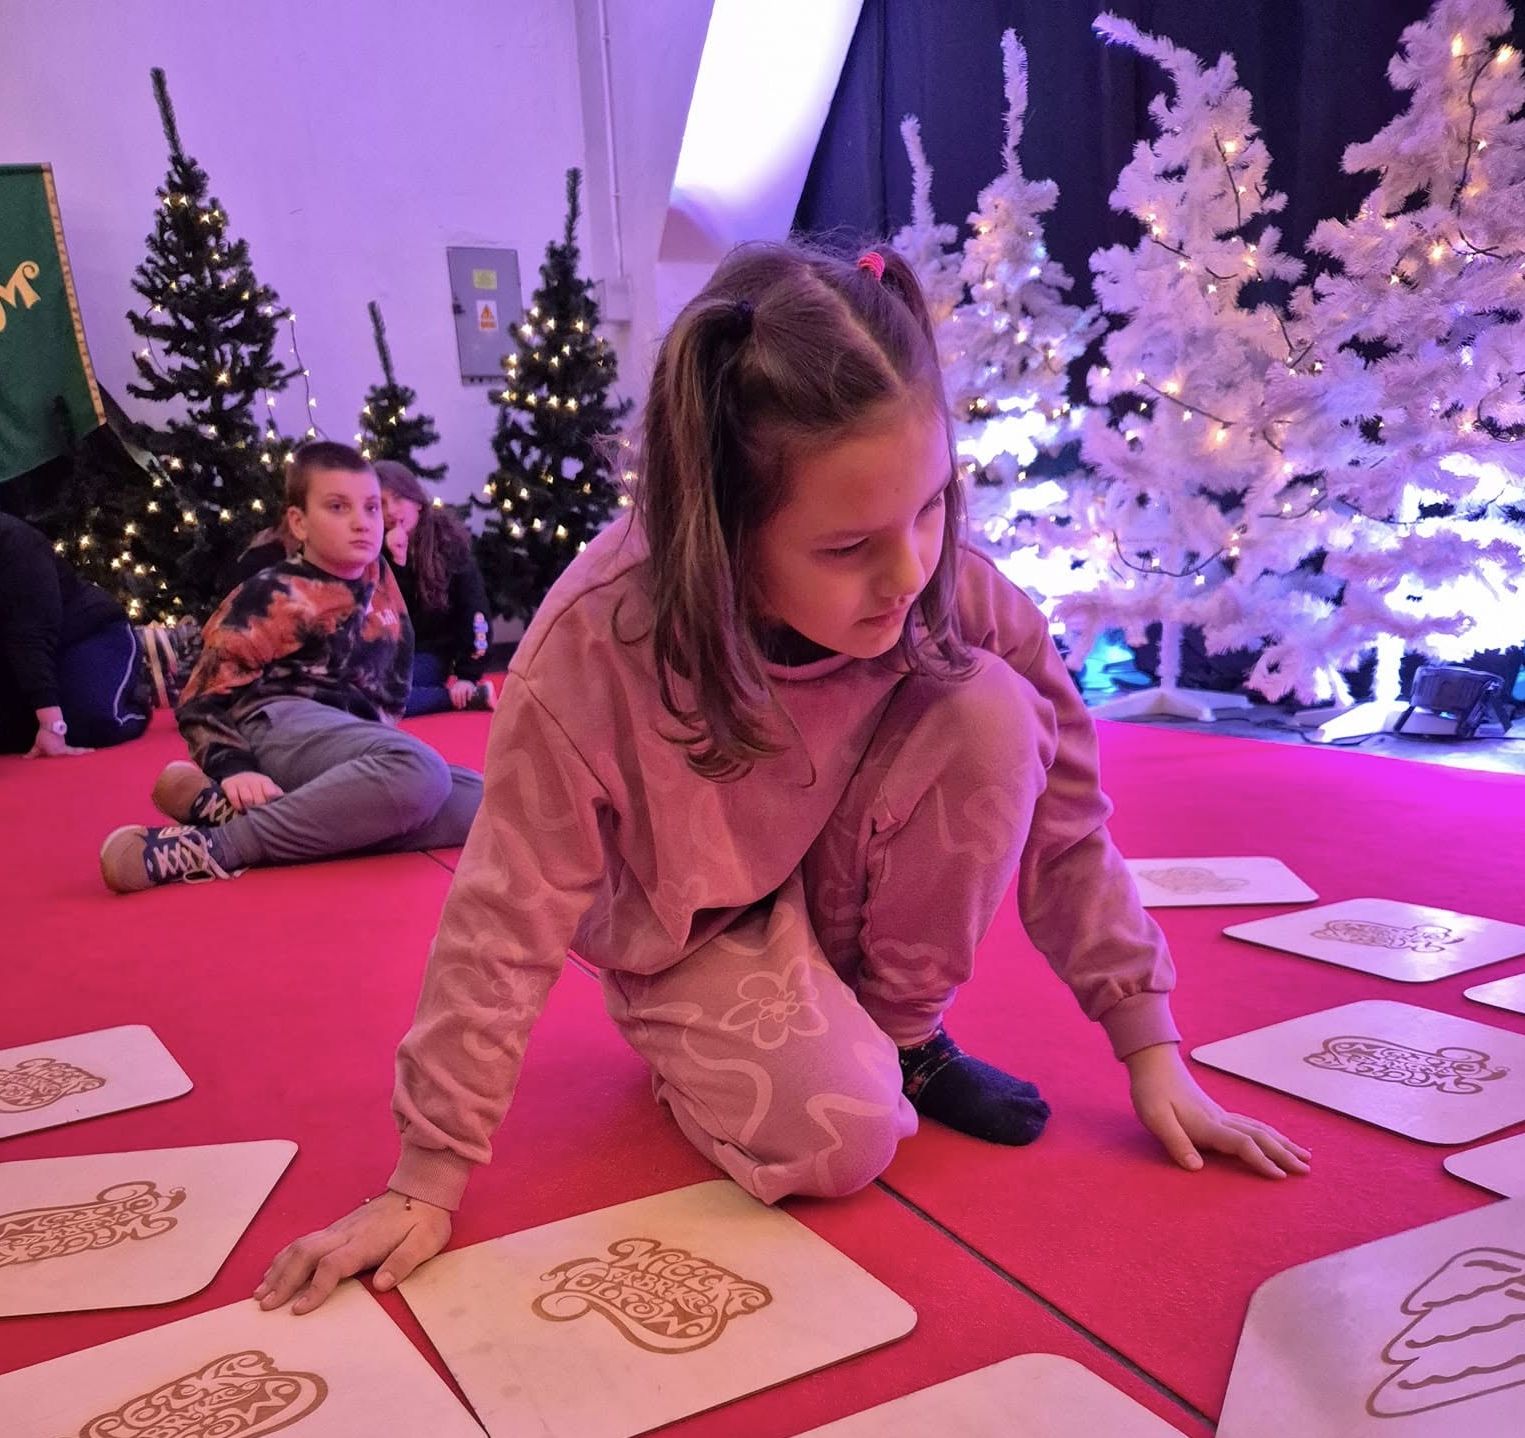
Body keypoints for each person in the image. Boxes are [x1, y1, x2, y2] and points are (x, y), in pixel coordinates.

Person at [258, 242, 1309, 1314]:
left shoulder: (950, 588)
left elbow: (1069, 821)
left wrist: (1150, 1043)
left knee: (995, 706)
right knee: (843, 1140)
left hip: (843, 872)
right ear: (722, 530)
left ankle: (901, 1037)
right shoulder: (593, 646)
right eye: (847, 546)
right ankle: (718, 1042)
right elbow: (505, 910)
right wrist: (428, 1173)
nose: (909, 573)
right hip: (695, 931)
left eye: (931, 506)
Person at [98, 442, 483, 892]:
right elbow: (202, 695)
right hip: (275, 727)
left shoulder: (378, 577)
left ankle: (231, 812)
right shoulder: (272, 593)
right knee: (420, 772)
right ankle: (217, 845)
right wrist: (233, 766)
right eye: (338, 507)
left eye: (372, 508)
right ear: (299, 523)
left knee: (480, 804)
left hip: (344, 742)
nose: (362, 522)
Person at [0, 508, 153, 755]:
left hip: (88, 634)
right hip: (14, 659)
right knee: (11, 737)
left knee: (89, 725)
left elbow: (30, 634)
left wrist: (51, 724)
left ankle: (136, 692)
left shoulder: (15, 542)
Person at [374, 462, 496, 715]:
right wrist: (397, 563)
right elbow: (383, 614)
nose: (391, 510)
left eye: (398, 498)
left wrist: (468, 675)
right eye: (381, 503)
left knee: (380, 696)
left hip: (429, 653)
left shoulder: (448, 545)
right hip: (383, 653)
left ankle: (458, 697)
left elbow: (473, 609)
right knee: (357, 692)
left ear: (417, 501)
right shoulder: (372, 548)